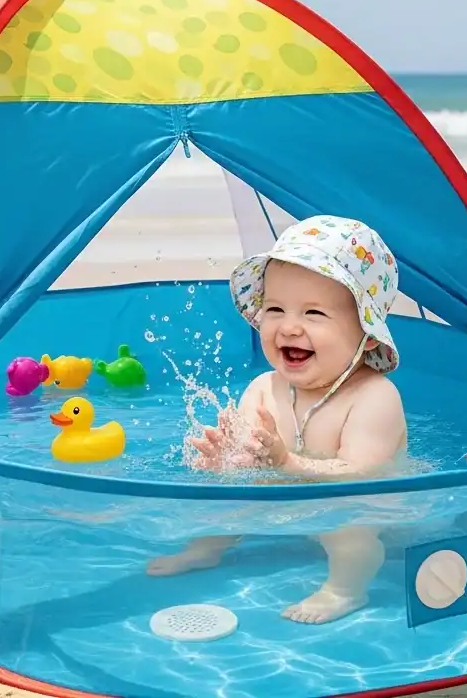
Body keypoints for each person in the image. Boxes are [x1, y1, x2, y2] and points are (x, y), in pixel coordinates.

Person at [146, 215, 408, 625]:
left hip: (367, 509)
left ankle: (344, 590)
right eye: (275, 308)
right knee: (228, 504)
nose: (289, 326)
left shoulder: (374, 397)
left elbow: (363, 474)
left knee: (350, 531)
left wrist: (289, 463)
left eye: (314, 313)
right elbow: (250, 461)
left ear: (367, 335)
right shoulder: (265, 388)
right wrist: (224, 465)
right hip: (293, 500)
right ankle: (206, 549)